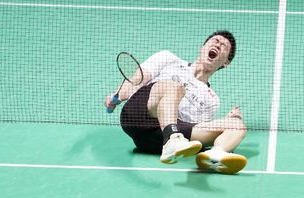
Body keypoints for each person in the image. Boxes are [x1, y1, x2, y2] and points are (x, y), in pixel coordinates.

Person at [105, 31, 248, 175]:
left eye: (223, 45)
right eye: (215, 40)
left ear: (226, 62)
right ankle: (172, 138)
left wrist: (228, 123)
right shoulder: (169, 59)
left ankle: (215, 155)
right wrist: (118, 95)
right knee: (174, 87)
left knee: (237, 126)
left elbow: (195, 128)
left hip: (155, 140)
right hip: (138, 115)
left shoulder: (212, 100)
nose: (218, 44)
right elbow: (137, 79)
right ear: (202, 47)